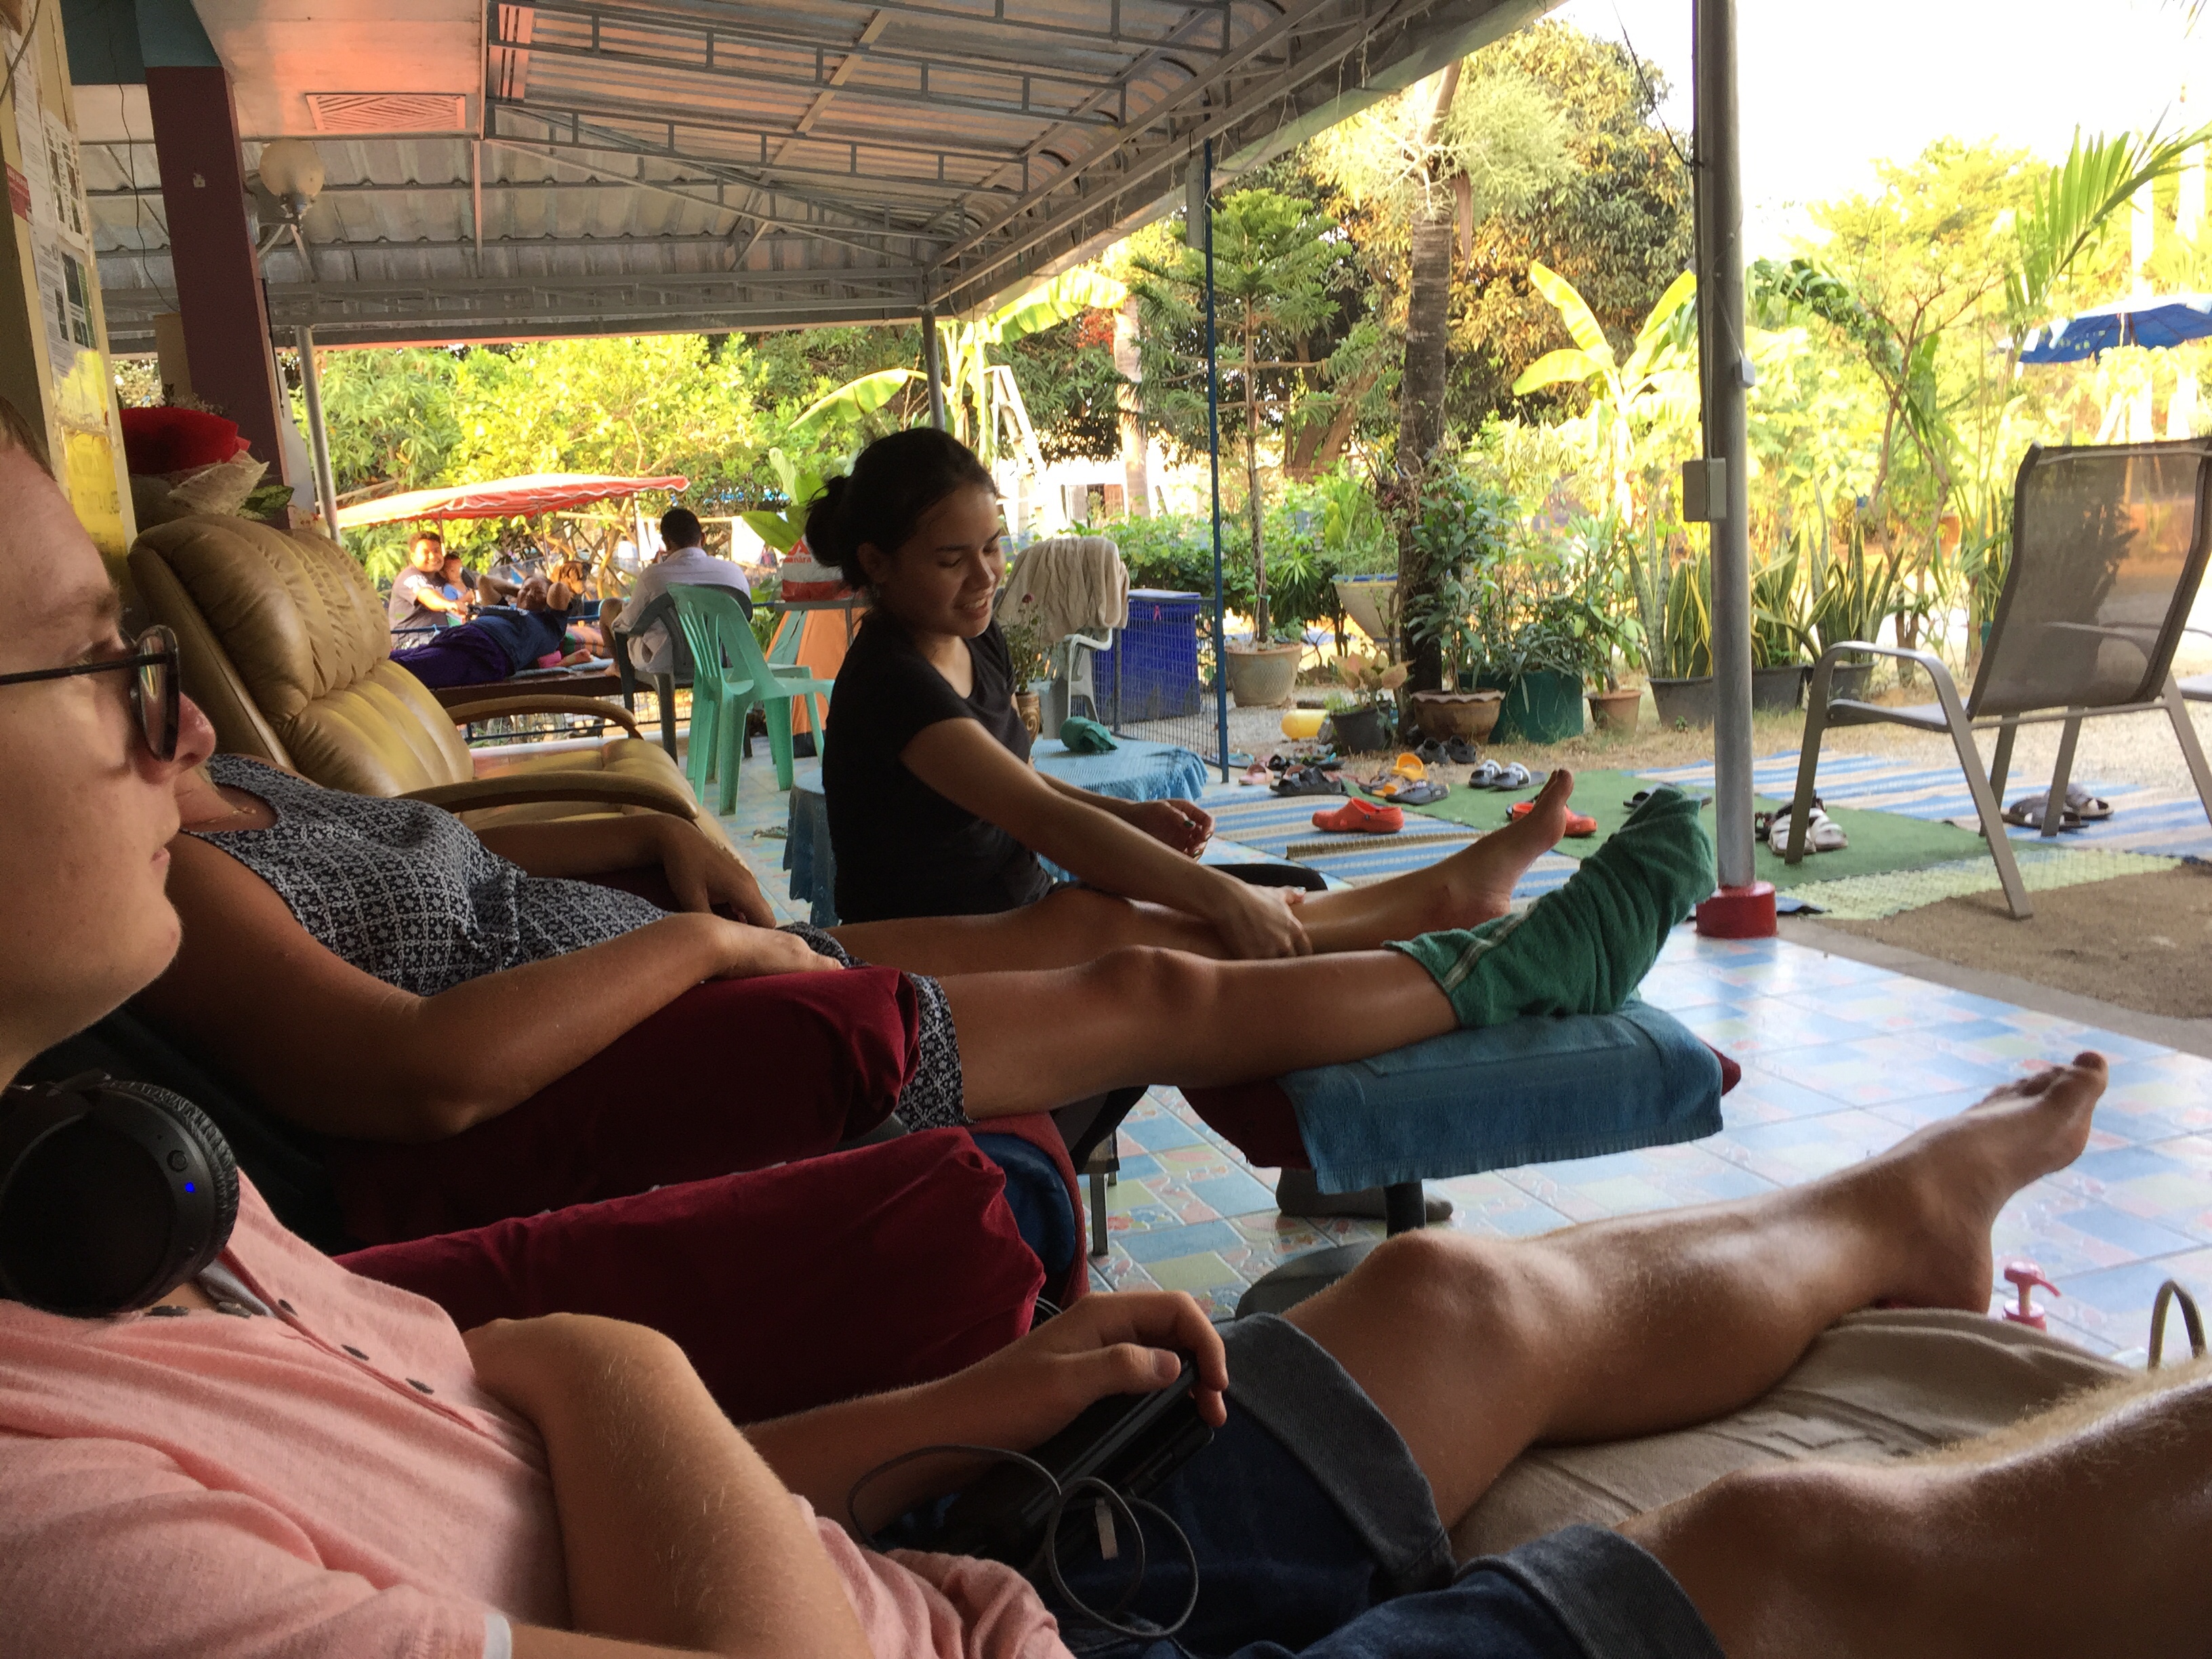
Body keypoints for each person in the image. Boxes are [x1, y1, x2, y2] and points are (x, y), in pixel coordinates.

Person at [7, 396, 2207, 1659]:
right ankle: (1486, 946)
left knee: (1416, 1268)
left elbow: (491, 1476)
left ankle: (1883, 1201)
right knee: (1779, 1553)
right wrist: (603, 1359)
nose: (183, 728)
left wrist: (960, 1399)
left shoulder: (121, 1213)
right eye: (98, 663)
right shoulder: (64, 1511)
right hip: (949, 1569)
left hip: (903, 1516)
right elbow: (433, 1122)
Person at [818, 429, 1308, 956]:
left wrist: (1129, 815)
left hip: (1030, 912)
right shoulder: (891, 683)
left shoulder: (977, 639)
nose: (985, 577)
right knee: (1230, 933)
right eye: (952, 561)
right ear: (877, 563)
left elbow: (1021, 776)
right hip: (946, 952)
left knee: (1297, 891)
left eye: (992, 547)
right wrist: (1228, 900)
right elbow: (1043, 819)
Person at [615, 504, 756, 678]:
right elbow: (744, 617)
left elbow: (627, 623)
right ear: (703, 538)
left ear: (666, 542)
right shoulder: (733, 572)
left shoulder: (652, 577)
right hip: (723, 660)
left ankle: (617, 668)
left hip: (667, 662)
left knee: (611, 608)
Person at [388, 573, 593, 691]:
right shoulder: (506, 608)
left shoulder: (551, 624)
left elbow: (559, 589)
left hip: (487, 653)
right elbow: (485, 581)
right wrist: (521, 592)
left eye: (538, 592)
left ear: (547, 600)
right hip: (461, 638)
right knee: (389, 659)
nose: (530, 594)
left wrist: (535, 594)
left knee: (404, 669)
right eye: (527, 589)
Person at [387, 530, 473, 636]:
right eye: (426, 552)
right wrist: (448, 604)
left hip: (442, 635)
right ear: (413, 556)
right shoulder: (410, 577)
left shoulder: (442, 576)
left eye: (437, 551)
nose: (433, 556)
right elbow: (427, 596)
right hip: (414, 639)